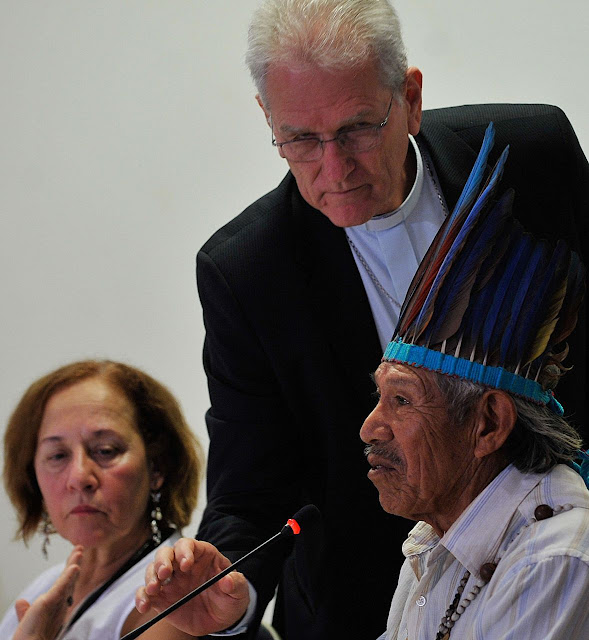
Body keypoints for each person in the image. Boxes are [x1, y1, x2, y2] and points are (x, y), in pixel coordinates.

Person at [194, 0, 589, 637]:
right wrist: (229, 590)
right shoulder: (247, 271)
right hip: (372, 598)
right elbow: (252, 492)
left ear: (409, 97)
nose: (334, 168)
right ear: (268, 119)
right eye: (299, 140)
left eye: (355, 129)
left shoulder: (533, 157)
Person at [0, 359, 245, 640]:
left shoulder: (175, 591)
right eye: (57, 456)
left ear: (157, 467)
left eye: (105, 450)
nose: (79, 476)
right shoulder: (42, 588)